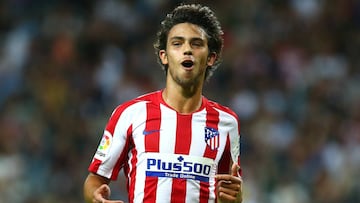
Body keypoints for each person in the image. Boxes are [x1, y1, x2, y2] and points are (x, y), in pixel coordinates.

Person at [83, 3, 243, 203]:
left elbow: (231, 191)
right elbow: (95, 179)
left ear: (210, 57)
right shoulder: (130, 114)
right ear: (164, 56)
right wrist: (95, 198)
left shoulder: (227, 123)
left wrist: (235, 199)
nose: (187, 50)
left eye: (196, 44)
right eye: (177, 43)